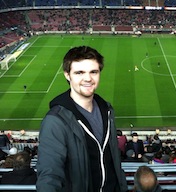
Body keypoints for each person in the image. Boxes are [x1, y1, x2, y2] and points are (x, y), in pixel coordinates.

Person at [36, 46, 127, 192]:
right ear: (67, 75)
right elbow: (49, 175)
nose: (88, 78)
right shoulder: (55, 121)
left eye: (93, 72)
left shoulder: (107, 111)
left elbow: (113, 161)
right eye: (79, 72)